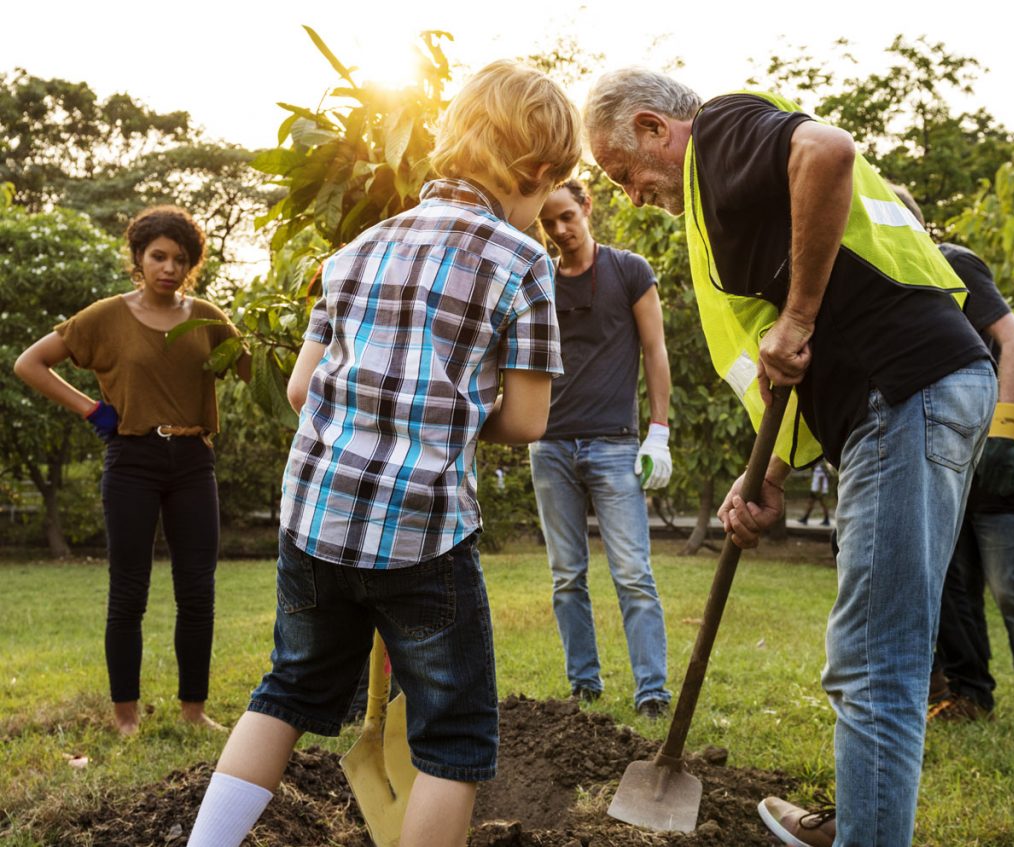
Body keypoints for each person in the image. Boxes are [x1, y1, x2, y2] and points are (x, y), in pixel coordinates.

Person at [584, 70, 997, 847]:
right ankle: (863, 822)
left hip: (904, 390)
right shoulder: (720, 199)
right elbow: (784, 363)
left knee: (875, 657)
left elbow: (828, 151)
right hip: (903, 396)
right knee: (878, 645)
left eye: (623, 174)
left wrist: (799, 314)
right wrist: (763, 477)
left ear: (651, 127)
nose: (632, 195)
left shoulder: (719, 134)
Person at [184, 61, 580, 847]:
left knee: (286, 692)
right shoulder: (524, 263)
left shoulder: (356, 249)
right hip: (423, 532)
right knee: (456, 737)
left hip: (315, 519)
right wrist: (454, 414)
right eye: (548, 191)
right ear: (535, 173)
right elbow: (529, 420)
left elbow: (302, 391)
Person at [14, 205, 250, 735]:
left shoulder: (209, 317)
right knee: (129, 591)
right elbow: (29, 363)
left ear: (191, 266)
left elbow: (252, 369)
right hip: (132, 461)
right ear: (139, 260)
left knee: (198, 590)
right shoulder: (104, 316)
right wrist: (92, 409)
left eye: (180, 259)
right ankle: (125, 716)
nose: (168, 267)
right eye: (158, 256)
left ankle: (194, 711)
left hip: (193, 460)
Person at [532, 178, 672, 717]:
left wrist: (658, 431)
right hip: (549, 446)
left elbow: (656, 351)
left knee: (633, 573)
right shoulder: (539, 277)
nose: (561, 230)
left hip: (615, 445)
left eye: (567, 216)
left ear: (587, 208)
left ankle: (652, 691)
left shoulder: (628, 270)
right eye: (549, 222)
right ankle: (584, 686)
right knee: (566, 577)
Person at [890, 187, 1014, 723]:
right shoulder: (902, 286)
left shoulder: (951, 262)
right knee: (952, 583)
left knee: (1012, 585)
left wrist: (1007, 434)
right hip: (952, 451)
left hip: (996, 455)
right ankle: (971, 693)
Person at [797, 460, 831, 526]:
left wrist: (820, 491)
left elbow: (823, 479)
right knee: (811, 503)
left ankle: (826, 519)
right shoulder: (816, 468)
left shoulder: (821, 467)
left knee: (822, 504)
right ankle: (805, 518)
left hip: (819, 490)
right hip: (816, 489)